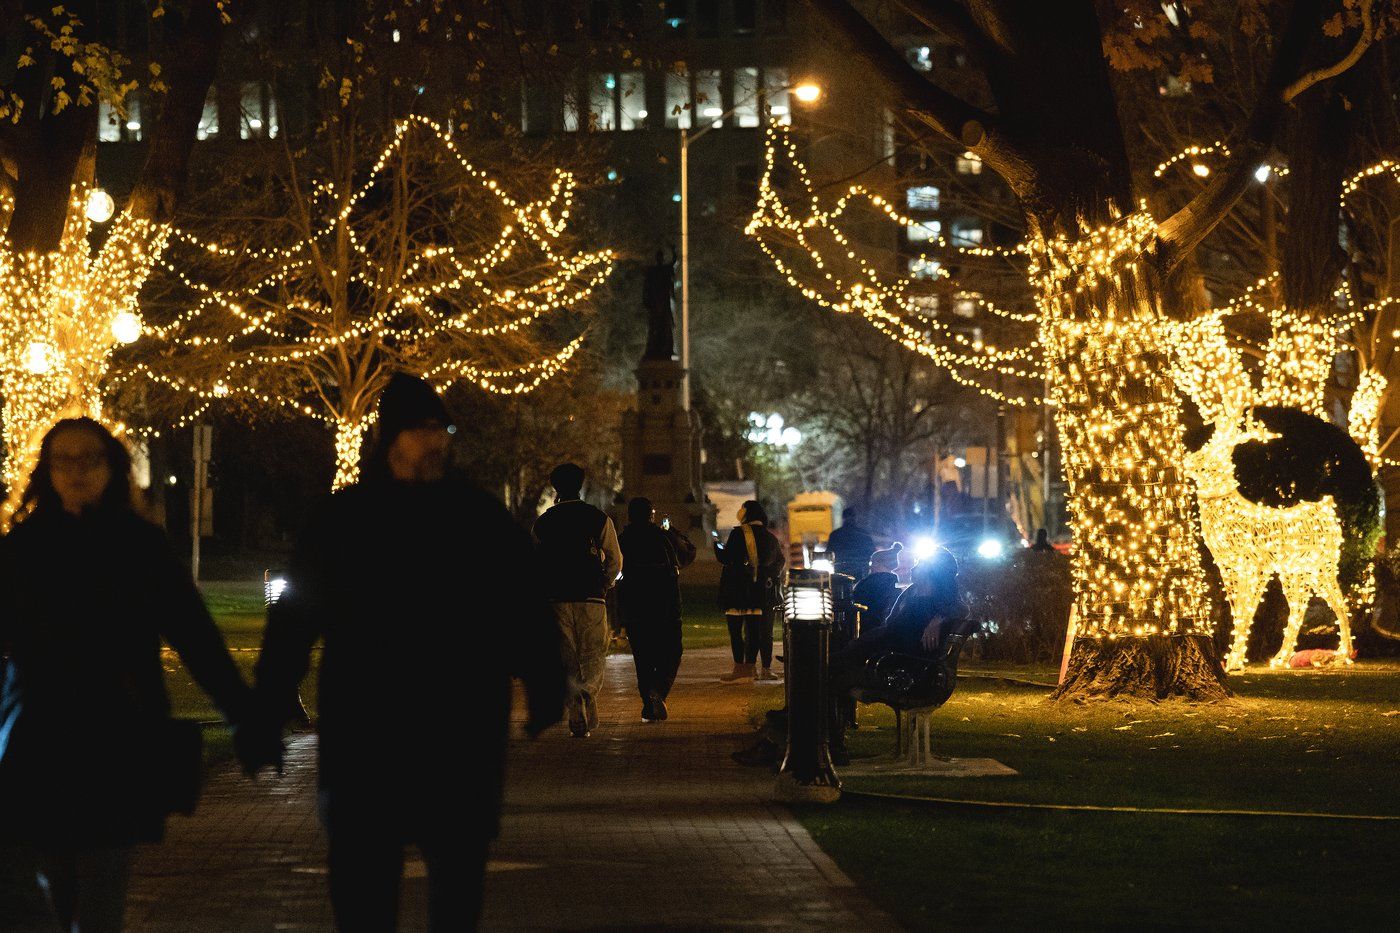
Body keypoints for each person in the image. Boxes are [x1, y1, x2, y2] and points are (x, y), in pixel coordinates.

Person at [246, 374, 566, 932]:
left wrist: (544, 681)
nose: (437, 440)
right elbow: (295, 622)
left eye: (442, 428)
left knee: (457, 881)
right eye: (423, 429)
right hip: (367, 723)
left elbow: (524, 605)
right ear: (392, 438)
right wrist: (268, 708)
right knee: (364, 882)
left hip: (459, 722)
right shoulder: (345, 520)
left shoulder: (476, 517)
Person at [0, 418, 253, 932]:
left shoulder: (139, 548)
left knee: (101, 886)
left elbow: (194, 635)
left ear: (111, 468)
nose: (75, 471)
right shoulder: (22, 549)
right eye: (62, 460)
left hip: (115, 735)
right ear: (47, 470)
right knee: (43, 884)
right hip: (40, 737)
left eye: (88, 459)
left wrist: (242, 712)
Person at [533, 462, 622, 737]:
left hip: (556, 597)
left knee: (566, 655)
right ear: (581, 485)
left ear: (555, 487)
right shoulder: (598, 518)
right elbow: (615, 559)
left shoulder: (543, 522)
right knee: (593, 652)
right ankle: (587, 693)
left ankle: (574, 702)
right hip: (591, 595)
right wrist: (605, 582)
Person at [829, 547, 967, 695]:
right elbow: (890, 630)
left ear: (931, 573)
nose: (913, 568)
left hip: (897, 669)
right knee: (834, 667)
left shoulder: (923, 607)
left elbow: (892, 634)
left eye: (919, 564)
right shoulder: (914, 594)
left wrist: (939, 620)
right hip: (890, 660)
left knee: (832, 671)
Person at [617, 498, 683, 722]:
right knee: (672, 651)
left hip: (635, 607)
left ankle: (648, 704)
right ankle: (659, 691)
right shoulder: (663, 537)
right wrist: (671, 529)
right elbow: (687, 553)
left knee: (642, 657)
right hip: (665, 605)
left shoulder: (623, 540)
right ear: (651, 515)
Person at [715, 501, 786, 684]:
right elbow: (780, 561)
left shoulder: (739, 534)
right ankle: (757, 667)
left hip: (737, 590)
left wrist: (717, 545)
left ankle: (742, 668)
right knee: (758, 630)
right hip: (761, 592)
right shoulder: (770, 538)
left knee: (736, 630)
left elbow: (727, 558)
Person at [851, 542, 903, 632]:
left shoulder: (869, 582)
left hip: (867, 627)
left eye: (872, 562)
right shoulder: (893, 583)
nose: (870, 566)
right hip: (883, 628)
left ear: (878, 563)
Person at [825, 508, 877, 580]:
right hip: (859, 568)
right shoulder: (862, 533)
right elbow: (871, 551)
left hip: (840, 568)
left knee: (840, 586)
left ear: (843, 518)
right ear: (855, 518)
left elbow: (829, 552)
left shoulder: (835, 534)